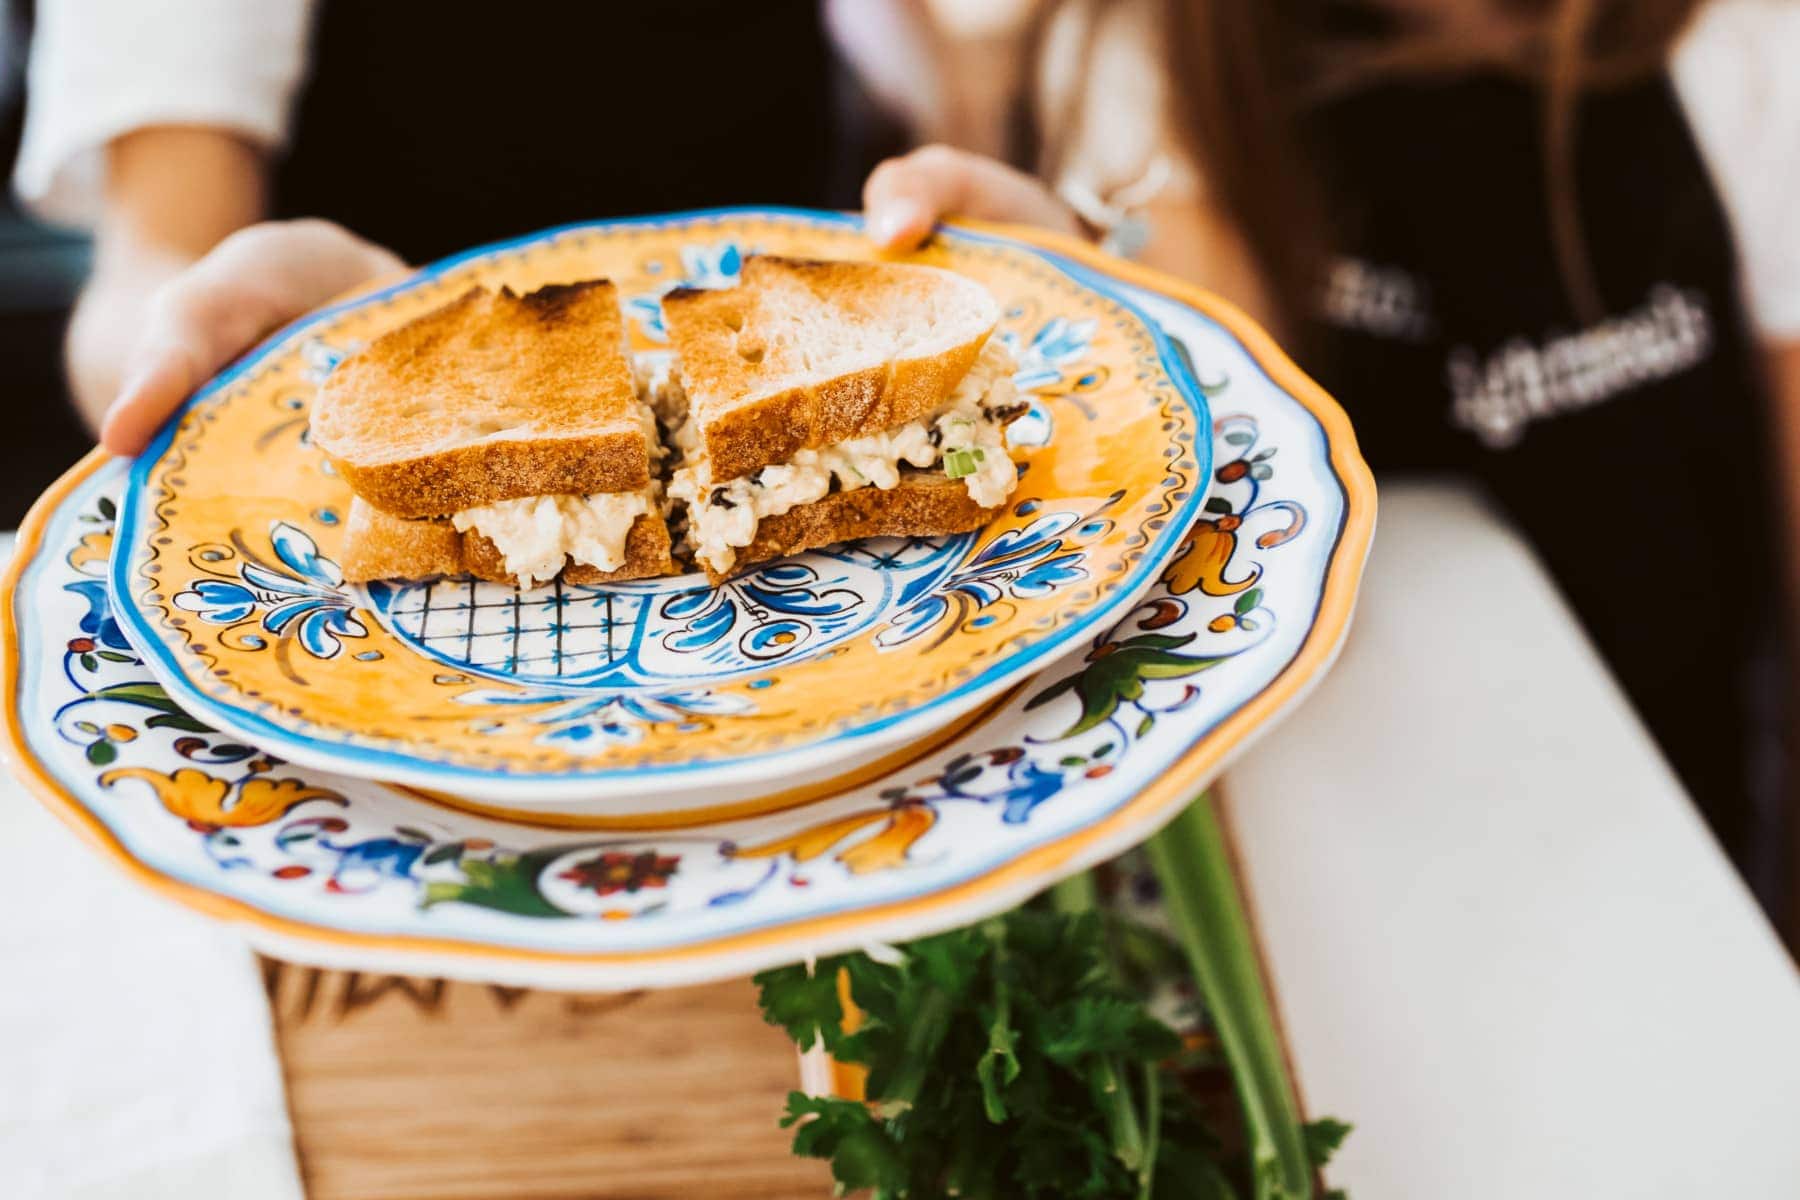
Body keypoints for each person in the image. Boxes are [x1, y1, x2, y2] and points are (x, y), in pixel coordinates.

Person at [861, 0, 1800, 902]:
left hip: (1683, 833)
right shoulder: (1158, 53)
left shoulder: (1748, 52)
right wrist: (1081, 313)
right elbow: (1209, 451)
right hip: (1340, 836)